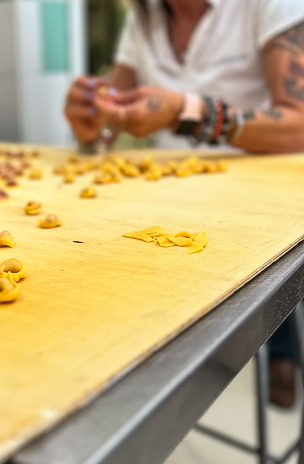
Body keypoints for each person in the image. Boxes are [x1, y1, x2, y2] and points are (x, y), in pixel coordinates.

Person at [64, 0, 304, 407]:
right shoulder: (142, 19)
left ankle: (282, 354)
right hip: (170, 196)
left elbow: (298, 123)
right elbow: (109, 116)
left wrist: (186, 111)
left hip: (259, 199)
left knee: (262, 281)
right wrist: (89, 125)